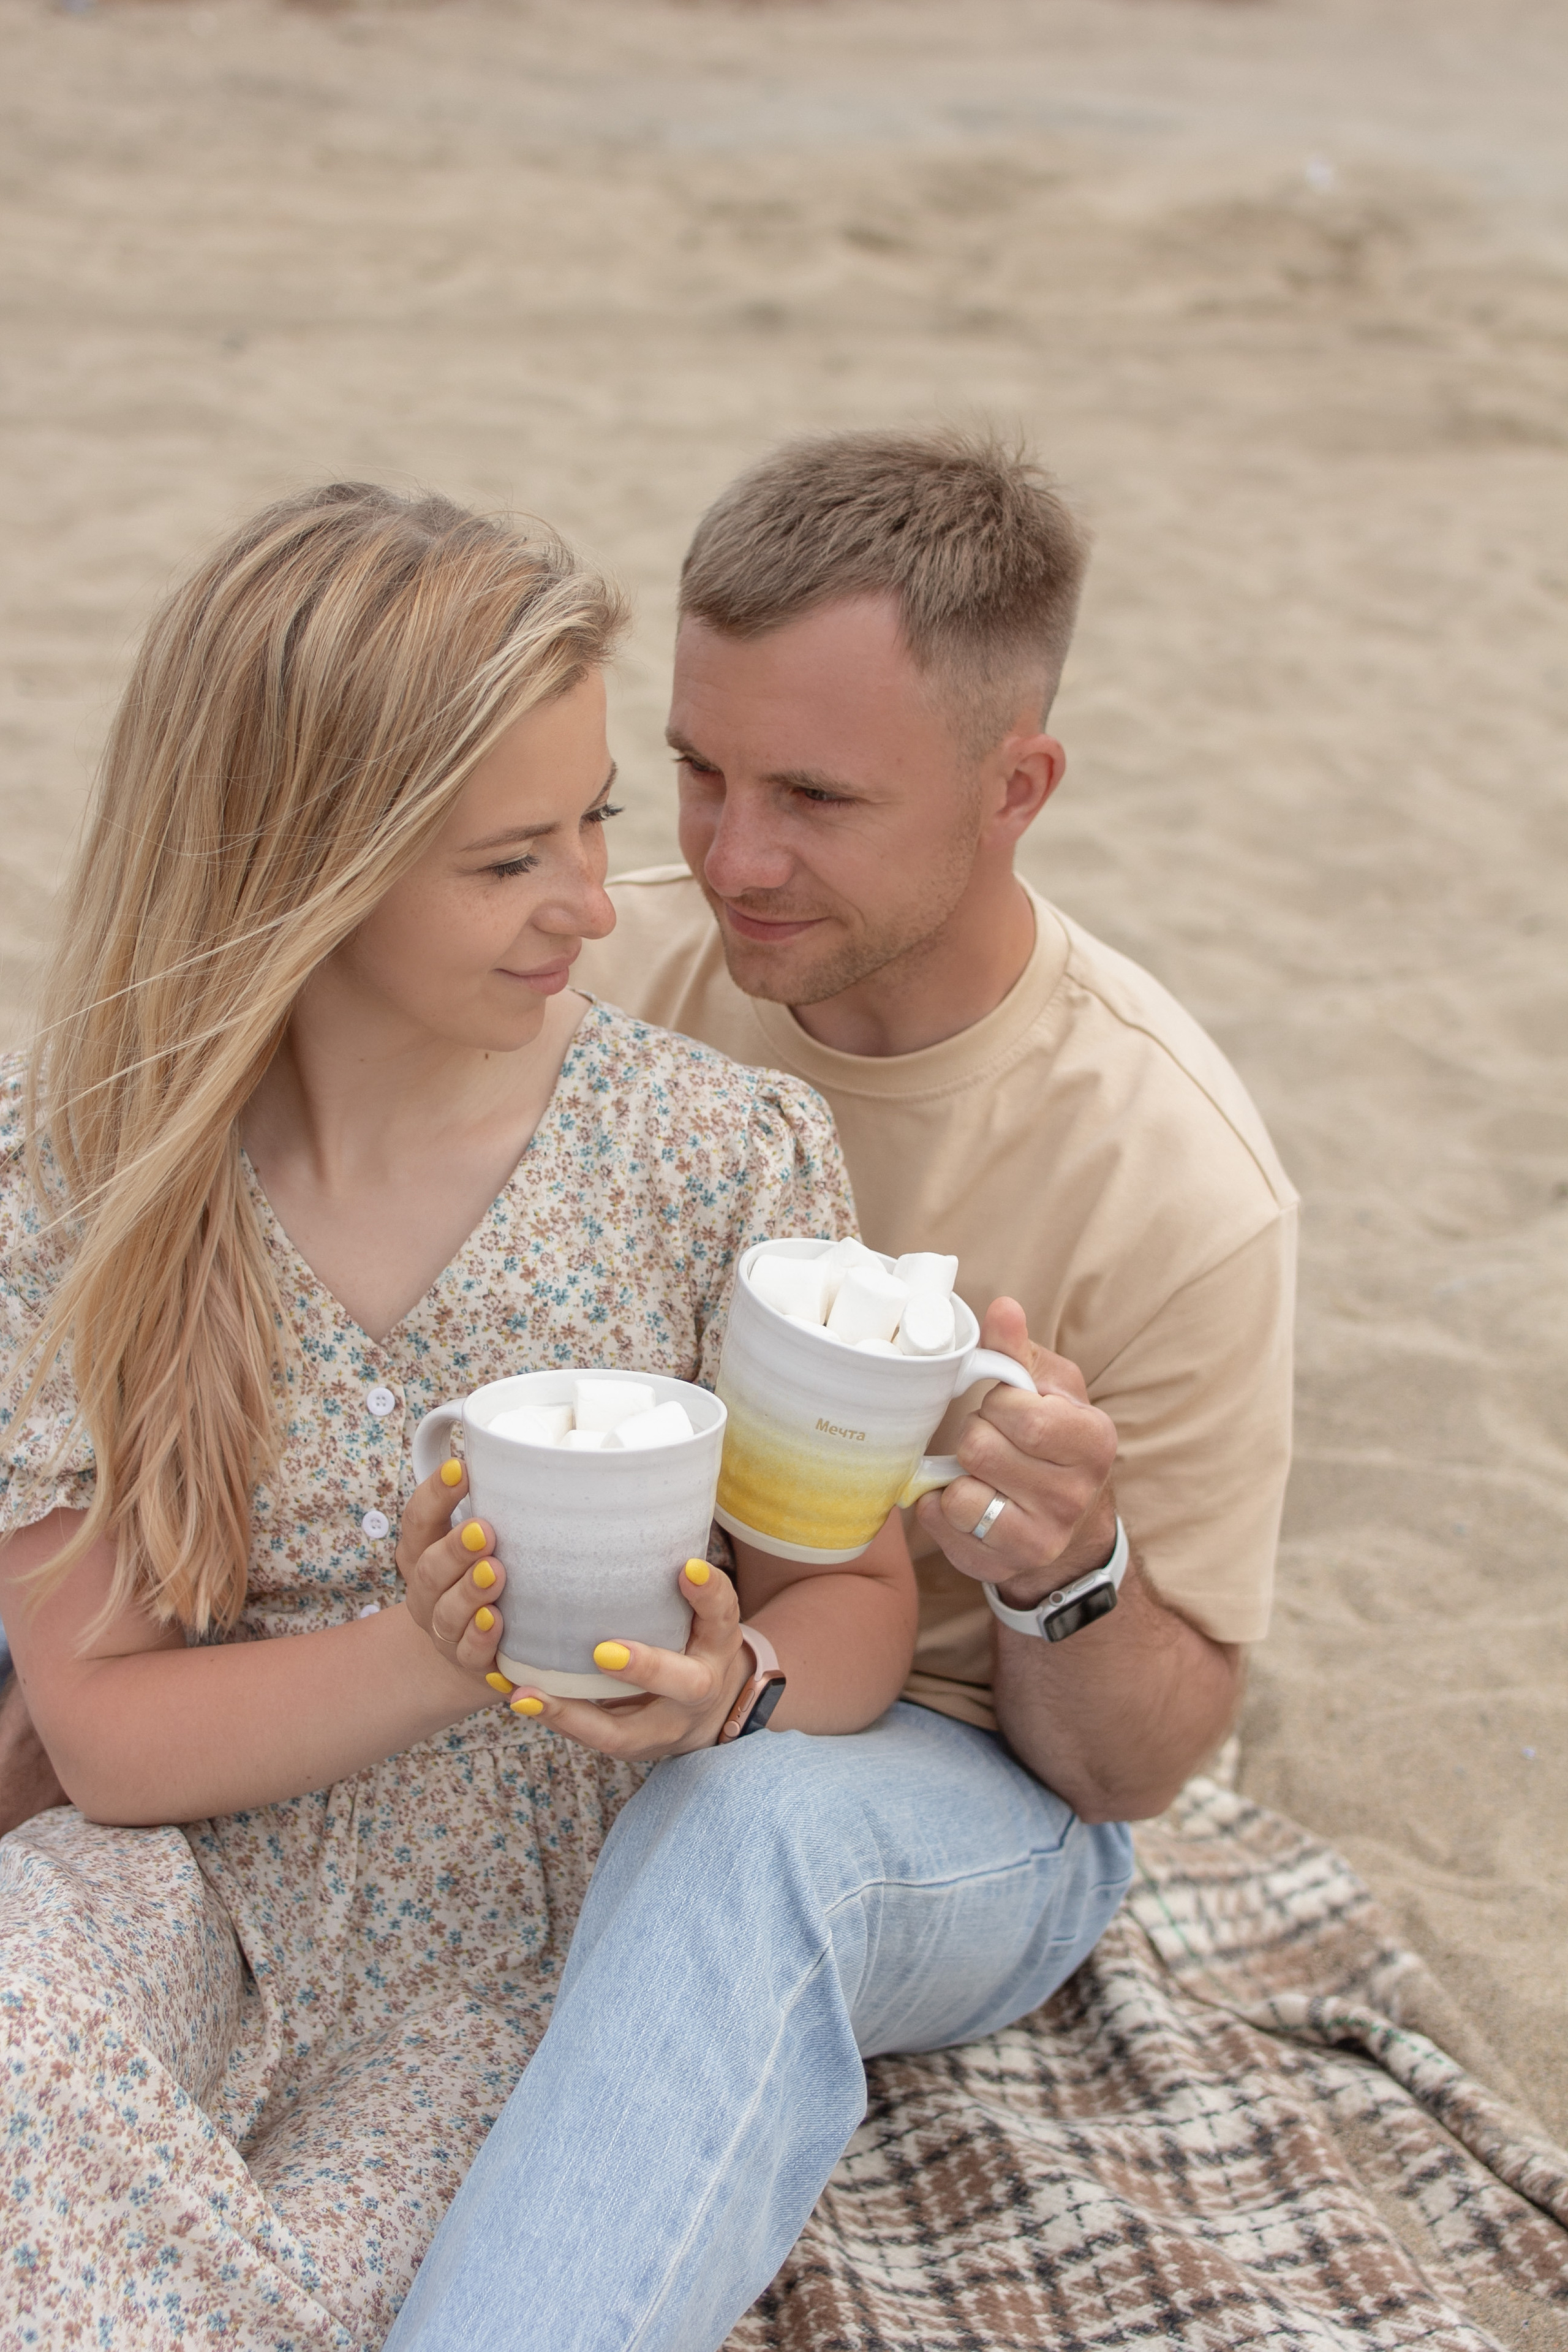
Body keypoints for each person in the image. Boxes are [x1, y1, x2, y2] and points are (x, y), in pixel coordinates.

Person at [386, 430, 1295, 2350]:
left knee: (754, 1827)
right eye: (699, 775)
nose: (728, 859)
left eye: (813, 795)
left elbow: (1130, 1775)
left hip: (943, 1776)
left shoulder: (1175, 1177)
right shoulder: (594, 955)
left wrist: (1066, 1568)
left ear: (1013, 787)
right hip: (574, 1654)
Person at [0, 482, 924, 2346]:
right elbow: (104, 1741)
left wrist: (729, 1692)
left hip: (514, 1947)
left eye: (594, 818)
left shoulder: (712, 1158)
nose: (597, 901)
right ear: (303, 866)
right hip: (176, 1881)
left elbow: (857, 1601)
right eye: (513, 861)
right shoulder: (80, 1183)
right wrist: (443, 1653)